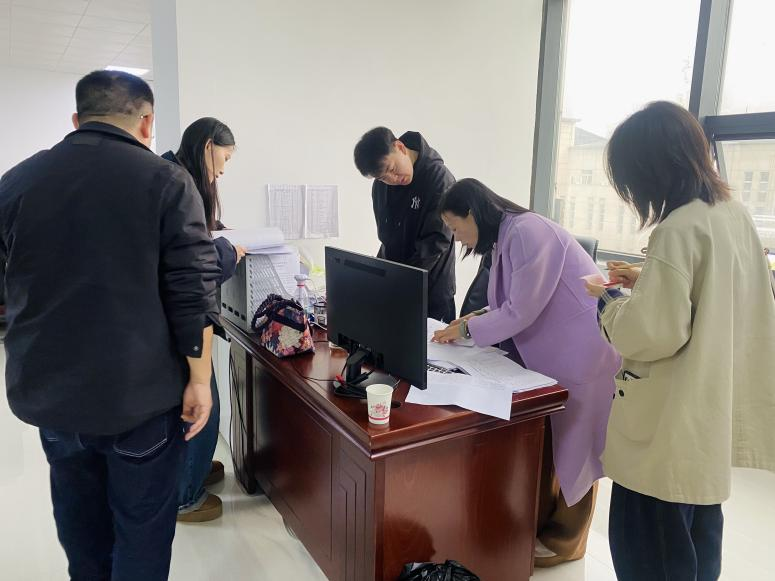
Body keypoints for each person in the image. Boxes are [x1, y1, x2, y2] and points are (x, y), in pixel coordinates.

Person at [0, 70, 220, 580]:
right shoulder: (167, 182)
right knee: (141, 531)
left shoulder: (17, 181)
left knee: (81, 526)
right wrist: (200, 380)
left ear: (77, 120)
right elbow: (192, 293)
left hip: (53, 396)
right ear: (147, 123)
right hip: (138, 399)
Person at [585, 101, 775, 581]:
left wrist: (607, 301)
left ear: (651, 169)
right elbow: (718, 295)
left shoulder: (676, 228)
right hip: (706, 421)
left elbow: (651, 334)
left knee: (648, 552)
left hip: (666, 428)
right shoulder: (733, 214)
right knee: (697, 544)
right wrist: (647, 280)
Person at [433, 178, 620, 567]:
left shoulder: (527, 231)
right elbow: (509, 301)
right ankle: (545, 528)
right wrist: (469, 320)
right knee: (555, 444)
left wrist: (467, 329)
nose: (457, 237)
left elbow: (522, 309)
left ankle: (567, 543)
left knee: (578, 450)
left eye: (455, 226)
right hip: (560, 351)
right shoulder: (506, 237)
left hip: (583, 352)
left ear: (472, 213)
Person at [162, 117, 242, 522]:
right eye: (223, 159)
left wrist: (217, 234)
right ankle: (185, 496)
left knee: (193, 405)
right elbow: (193, 265)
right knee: (201, 405)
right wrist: (229, 251)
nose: (223, 171)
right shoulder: (179, 184)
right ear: (208, 145)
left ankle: (191, 471)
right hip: (182, 319)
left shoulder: (170, 173)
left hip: (167, 318)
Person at [354, 127, 456, 322]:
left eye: (392, 169)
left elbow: (435, 244)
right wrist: (375, 276)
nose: (393, 179)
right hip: (396, 288)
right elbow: (387, 239)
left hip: (431, 292)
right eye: (383, 178)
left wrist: (399, 281)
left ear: (400, 147)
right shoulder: (381, 186)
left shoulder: (439, 180)